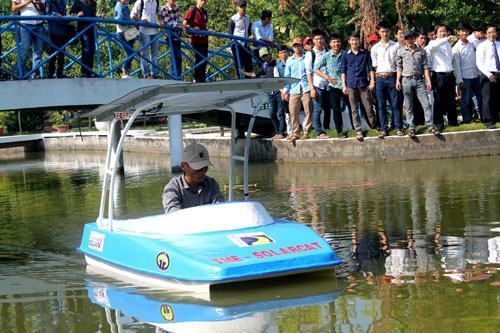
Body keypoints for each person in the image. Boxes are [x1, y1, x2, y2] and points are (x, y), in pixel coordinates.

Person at [396, 31, 438, 137]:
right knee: (408, 106)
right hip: (406, 80)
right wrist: (398, 80)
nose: (409, 40)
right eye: (407, 39)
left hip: (419, 80)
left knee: (426, 104)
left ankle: (431, 126)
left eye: (411, 38)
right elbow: (399, 67)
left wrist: (428, 80)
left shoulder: (422, 51)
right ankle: (411, 127)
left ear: (414, 38)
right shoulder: (401, 51)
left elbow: (425, 67)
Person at [162, 143, 224, 213]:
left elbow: (220, 208)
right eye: (198, 168)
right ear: (183, 166)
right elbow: (174, 215)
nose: (202, 172)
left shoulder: (211, 184)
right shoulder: (173, 188)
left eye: (205, 167)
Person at [341, 31, 376, 141]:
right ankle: (358, 130)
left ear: (359, 41)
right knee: (354, 109)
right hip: (351, 84)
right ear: (349, 41)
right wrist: (344, 85)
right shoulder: (345, 55)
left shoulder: (365, 53)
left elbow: (370, 68)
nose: (355, 42)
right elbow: (343, 71)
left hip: (363, 84)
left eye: (356, 39)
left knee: (368, 107)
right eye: (352, 40)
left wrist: (372, 82)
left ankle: (374, 126)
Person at [371, 21, 403, 138]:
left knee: (396, 104)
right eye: (382, 31)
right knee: (381, 105)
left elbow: (399, 64)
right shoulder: (375, 48)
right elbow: (375, 66)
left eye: (386, 31)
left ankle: (398, 127)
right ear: (379, 32)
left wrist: (398, 80)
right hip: (380, 78)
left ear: (390, 32)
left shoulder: (396, 45)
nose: (384, 33)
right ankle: (384, 128)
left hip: (393, 77)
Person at [314, 33, 347, 139]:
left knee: (352, 107)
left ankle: (357, 129)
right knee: (336, 109)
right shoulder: (326, 56)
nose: (336, 43)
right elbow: (316, 68)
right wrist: (327, 77)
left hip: (346, 85)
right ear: (330, 44)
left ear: (340, 43)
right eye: (334, 42)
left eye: (338, 41)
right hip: (333, 87)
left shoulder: (345, 54)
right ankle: (340, 131)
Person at [427, 24, 458, 128]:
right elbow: (433, 47)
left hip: (449, 75)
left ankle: (453, 121)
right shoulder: (433, 43)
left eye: (444, 31)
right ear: (436, 34)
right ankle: (438, 123)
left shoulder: (448, 44)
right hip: (439, 76)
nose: (443, 33)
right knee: (438, 99)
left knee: (451, 99)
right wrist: (446, 40)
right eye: (440, 31)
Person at [283, 37, 313, 141]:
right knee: (293, 111)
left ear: (302, 46)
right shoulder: (289, 60)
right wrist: (285, 91)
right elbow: (287, 77)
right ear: (293, 47)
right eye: (295, 46)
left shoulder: (307, 57)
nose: (297, 47)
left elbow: (311, 72)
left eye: (298, 45)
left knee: (308, 109)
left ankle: (307, 131)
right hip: (294, 89)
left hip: (305, 87)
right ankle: (295, 132)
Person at [452, 23, 482, 124]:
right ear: (458, 32)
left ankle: (483, 118)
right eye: (462, 31)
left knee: (480, 98)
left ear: (469, 32)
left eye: (466, 30)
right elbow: (457, 67)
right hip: (465, 77)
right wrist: (460, 81)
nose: (464, 32)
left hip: (476, 75)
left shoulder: (472, 44)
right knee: (466, 100)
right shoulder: (456, 48)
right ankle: (467, 120)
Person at [305, 29, 329, 139]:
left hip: (329, 85)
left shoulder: (328, 51)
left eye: (321, 38)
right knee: (317, 109)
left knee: (328, 108)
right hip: (317, 84)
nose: (319, 40)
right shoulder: (310, 54)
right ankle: (319, 132)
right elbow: (308, 73)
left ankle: (327, 129)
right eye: (316, 39)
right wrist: (312, 88)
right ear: (313, 41)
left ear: (324, 39)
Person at [12, 0, 46, 79]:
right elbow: (14, 8)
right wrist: (28, 1)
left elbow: (42, 10)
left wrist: (39, 3)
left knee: (38, 51)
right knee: (24, 49)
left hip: (39, 24)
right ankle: (20, 74)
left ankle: (34, 75)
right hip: (25, 24)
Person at [476, 25, 499, 129]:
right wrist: (489, 75)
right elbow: (479, 63)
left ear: (496, 33)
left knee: (497, 98)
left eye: (493, 32)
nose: (491, 34)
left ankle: (496, 118)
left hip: (498, 72)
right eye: (489, 32)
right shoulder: (482, 46)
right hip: (487, 74)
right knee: (488, 98)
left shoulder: (499, 44)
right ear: (485, 34)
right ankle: (488, 121)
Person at [131, 0, 160, 79]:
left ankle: (155, 74)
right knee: (145, 53)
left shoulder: (156, 1)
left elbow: (159, 14)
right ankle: (146, 74)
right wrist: (141, 20)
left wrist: (161, 21)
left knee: (155, 54)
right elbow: (132, 15)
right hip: (144, 30)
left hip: (155, 30)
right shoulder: (140, 2)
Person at [70, 0, 97, 78]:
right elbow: (71, 14)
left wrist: (99, 17)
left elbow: (93, 15)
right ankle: (84, 72)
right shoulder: (78, 2)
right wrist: (77, 15)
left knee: (92, 49)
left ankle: (89, 71)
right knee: (86, 49)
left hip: (91, 29)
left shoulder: (93, 3)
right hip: (82, 29)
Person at [183, 0, 208, 83]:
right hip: (196, 39)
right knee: (199, 59)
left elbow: (204, 24)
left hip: (204, 39)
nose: (203, 2)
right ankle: (196, 79)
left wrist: (208, 30)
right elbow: (184, 25)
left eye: (205, 0)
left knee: (204, 59)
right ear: (197, 1)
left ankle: (202, 79)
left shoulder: (204, 11)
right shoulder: (192, 10)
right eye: (202, 0)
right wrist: (192, 29)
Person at [228, 0, 252, 78]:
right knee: (239, 64)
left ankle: (249, 81)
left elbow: (249, 30)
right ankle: (240, 80)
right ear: (238, 7)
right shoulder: (233, 18)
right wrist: (233, 44)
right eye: (241, 7)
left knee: (249, 64)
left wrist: (250, 37)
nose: (243, 8)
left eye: (244, 6)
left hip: (246, 45)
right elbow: (230, 34)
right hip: (237, 45)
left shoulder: (248, 17)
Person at [159, 0, 184, 77]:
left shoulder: (176, 8)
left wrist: (182, 25)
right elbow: (168, 23)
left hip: (177, 36)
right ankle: (174, 77)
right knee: (175, 57)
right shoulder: (164, 9)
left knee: (179, 58)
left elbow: (179, 20)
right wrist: (180, 24)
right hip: (170, 36)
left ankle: (178, 76)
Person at [46, 0, 69, 79]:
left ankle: (60, 73)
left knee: (62, 54)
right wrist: (55, 14)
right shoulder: (49, 1)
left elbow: (64, 15)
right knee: (53, 53)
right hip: (53, 30)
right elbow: (47, 14)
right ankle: (50, 74)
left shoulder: (63, 1)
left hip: (63, 30)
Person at [115, 0, 137, 79]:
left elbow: (127, 18)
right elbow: (121, 18)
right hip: (121, 32)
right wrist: (130, 21)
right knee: (130, 52)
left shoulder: (126, 7)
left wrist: (130, 21)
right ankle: (124, 72)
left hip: (129, 31)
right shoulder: (119, 5)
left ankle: (127, 72)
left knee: (132, 52)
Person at [272, 44, 289, 139]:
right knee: (282, 112)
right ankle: (282, 132)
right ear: (279, 54)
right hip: (283, 92)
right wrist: (283, 93)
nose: (283, 54)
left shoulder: (293, 62)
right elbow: (277, 81)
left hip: (295, 90)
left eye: (285, 52)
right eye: (281, 53)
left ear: (288, 52)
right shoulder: (277, 67)